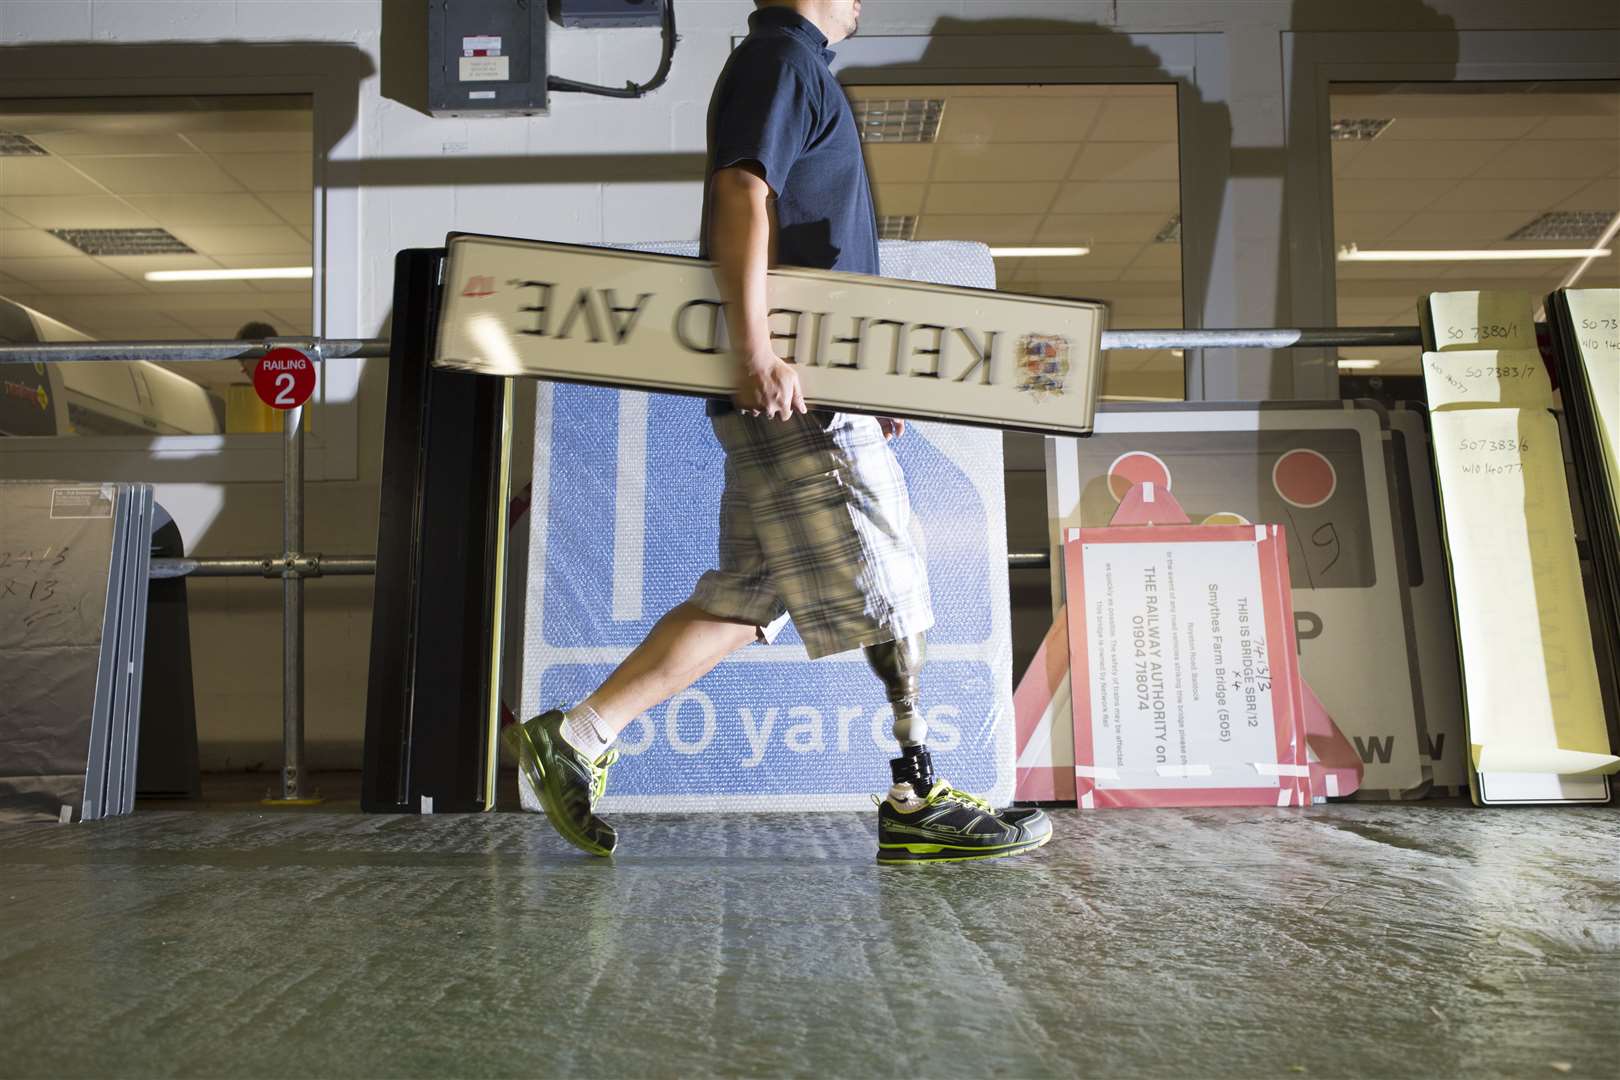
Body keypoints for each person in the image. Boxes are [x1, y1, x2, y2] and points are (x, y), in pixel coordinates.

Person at [504, 0, 1052, 864]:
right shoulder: (781, 62)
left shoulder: (792, 67)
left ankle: (576, 737)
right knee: (892, 576)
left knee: (744, 598)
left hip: (810, 385)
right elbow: (741, 190)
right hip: (796, 394)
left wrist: (864, 383)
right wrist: (757, 351)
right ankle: (916, 797)